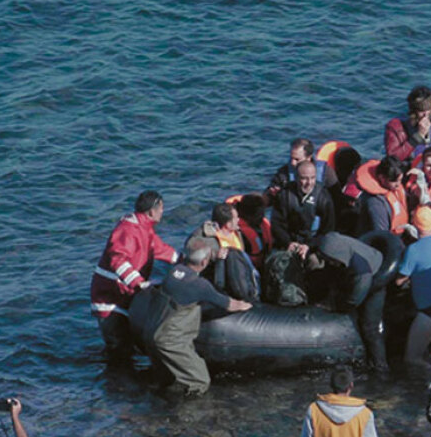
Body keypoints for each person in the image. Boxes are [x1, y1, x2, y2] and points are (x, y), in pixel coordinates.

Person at [146, 241, 251, 397]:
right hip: (170, 341)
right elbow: (228, 304)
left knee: (167, 378)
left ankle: (161, 409)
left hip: (151, 332)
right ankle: (188, 417)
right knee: (200, 380)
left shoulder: (174, 272)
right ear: (204, 262)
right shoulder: (199, 285)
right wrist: (246, 305)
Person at [90, 190, 179, 362]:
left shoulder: (144, 230)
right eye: (161, 208)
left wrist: (184, 261)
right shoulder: (128, 230)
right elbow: (118, 260)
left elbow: (159, 249)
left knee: (125, 344)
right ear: (152, 211)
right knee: (118, 346)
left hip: (124, 295)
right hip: (110, 297)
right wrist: (138, 283)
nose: (162, 212)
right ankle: (116, 381)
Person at [310, 232, 395, 374]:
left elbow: (355, 299)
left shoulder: (360, 268)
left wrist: (337, 306)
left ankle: (380, 368)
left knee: (370, 327)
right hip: (354, 274)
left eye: (331, 261)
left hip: (375, 278)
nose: (330, 263)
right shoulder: (330, 242)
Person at [395, 207, 431, 367]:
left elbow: (399, 281)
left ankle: (425, 385)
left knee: (412, 359)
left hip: (430, 310)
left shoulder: (413, 250)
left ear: (414, 226)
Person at [271, 160, 336, 253]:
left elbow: (328, 228)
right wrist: (288, 243)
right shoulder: (285, 194)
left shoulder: (323, 196)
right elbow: (276, 224)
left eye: (312, 178)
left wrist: (309, 246)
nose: (309, 183)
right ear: (296, 177)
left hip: (313, 243)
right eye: (304, 178)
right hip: (289, 242)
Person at [385, 85, 431, 164]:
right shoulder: (396, 127)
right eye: (421, 111)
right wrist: (418, 136)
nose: (425, 115)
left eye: (428, 109)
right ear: (414, 110)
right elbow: (392, 158)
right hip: (410, 168)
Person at [266, 138, 336, 196]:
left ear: (309, 158)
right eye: (291, 158)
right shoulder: (283, 173)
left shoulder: (326, 172)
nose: (293, 163)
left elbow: (337, 198)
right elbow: (267, 196)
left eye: (297, 159)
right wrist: (273, 194)